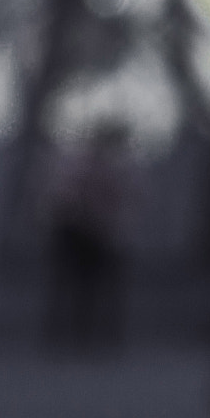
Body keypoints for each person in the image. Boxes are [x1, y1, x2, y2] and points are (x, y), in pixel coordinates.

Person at [45, 123, 131, 352]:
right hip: (89, 237)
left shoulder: (81, 167)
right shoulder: (96, 168)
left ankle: (84, 336)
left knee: (86, 292)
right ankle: (85, 336)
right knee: (86, 292)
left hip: (92, 237)